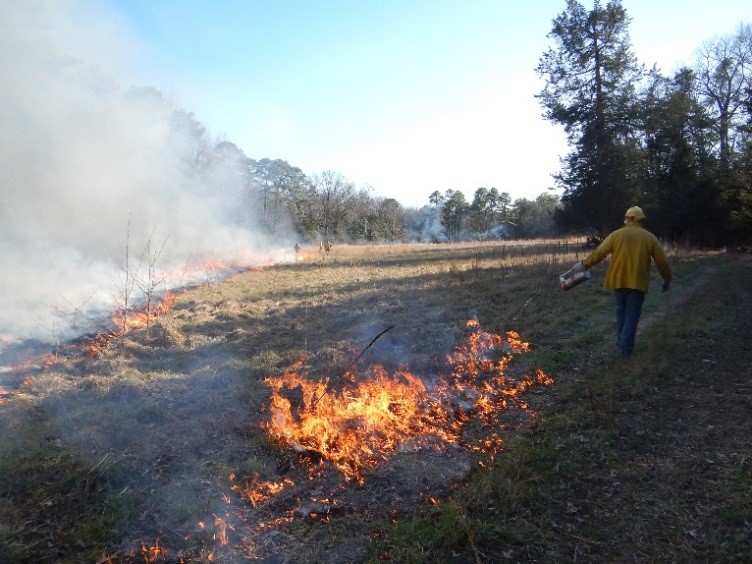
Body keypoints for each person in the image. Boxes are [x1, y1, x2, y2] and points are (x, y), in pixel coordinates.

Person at [572, 206, 672, 357]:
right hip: (638, 284)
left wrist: (583, 265)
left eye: (626, 217)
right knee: (631, 315)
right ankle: (624, 350)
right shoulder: (649, 237)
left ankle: (622, 346)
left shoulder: (616, 235)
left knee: (621, 314)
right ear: (640, 219)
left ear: (630, 218)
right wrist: (667, 280)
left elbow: (599, 253)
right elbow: (662, 262)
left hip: (618, 282)